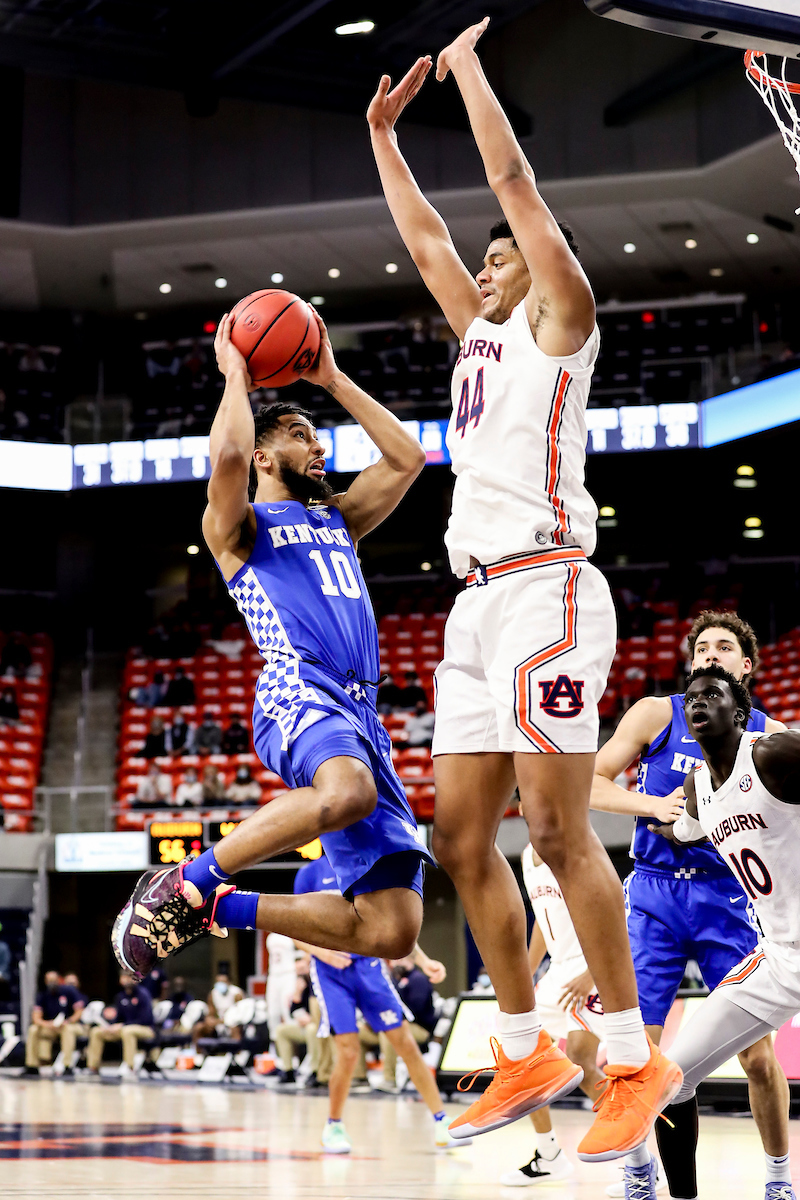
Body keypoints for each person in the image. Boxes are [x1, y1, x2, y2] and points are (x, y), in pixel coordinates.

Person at [367, 20, 679, 1155]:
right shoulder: (477, 342)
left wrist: (467, 71)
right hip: (472, 605)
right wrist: (380, 140)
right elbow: (424, 237)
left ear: (538, 272)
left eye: (502, 257)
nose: (484, 265)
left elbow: (508, 181)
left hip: (549, 586)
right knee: (459, 840)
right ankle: (520, 1049)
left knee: (552, 828)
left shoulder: (560, 326)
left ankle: (635, 1062)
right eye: (485, 261)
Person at [113, 306, 434, 990]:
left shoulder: (339, 518)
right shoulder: (241, 527)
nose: (319, 448)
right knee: (345, 792)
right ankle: (186, 882)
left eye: (317, 436)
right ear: (264, 456)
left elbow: (408, 458)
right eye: (299, 435)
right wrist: (236, 373)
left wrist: (334, 378)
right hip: (300, 684)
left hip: (360, 710)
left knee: (391, 928)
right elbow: (226, 455)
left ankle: (223, 906)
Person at [591, 612, 789, 1199]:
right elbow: (590, 783)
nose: (710, 656)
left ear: (746, 667)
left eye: (725, 648)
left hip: (730, 897)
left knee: (756, 1058)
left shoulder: (771, 736)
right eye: (701, 648)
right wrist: (653, 806)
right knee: (637, 1053)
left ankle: (778, 1176)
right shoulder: (657, 713)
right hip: (654, 891)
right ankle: (639, 1171)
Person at [648, 665, 800, 1200]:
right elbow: (683, 830)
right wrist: (652, 821)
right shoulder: (697, 792)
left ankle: (779, 1180)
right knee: (670, 1079)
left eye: (712, 695)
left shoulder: (774, 755)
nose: (697, 702)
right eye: (691, 696)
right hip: (781, 957)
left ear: (738, 714)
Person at [293, 851, 462, 1153]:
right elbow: (294, 928)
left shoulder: (362, 863)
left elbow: (390, 922)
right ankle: (333, 1125)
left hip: (368, 967)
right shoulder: (309, 874)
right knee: (347, 1051)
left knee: (405, 1043)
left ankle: (441, 1122)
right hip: (331, 972)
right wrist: (324, 953)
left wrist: (422, 961)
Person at [500, 841, 609, 1187]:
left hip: (593, 966)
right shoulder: (526, 856)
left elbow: (609, 913)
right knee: (521, 1055)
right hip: (558, 970)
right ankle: (549, 1155)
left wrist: (592, 972)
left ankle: (641, 1156)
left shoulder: (571, 844)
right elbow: (542, 925)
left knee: (580, 1059)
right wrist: (527, 975)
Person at [359, 953, 439, 1091]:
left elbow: (415, 1010)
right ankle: (359, 1078)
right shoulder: (393, 980)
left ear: (411, 960)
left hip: (419, 1028)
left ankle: (390, 1080)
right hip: (391, 1023)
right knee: (357, 1031)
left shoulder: (417, 979)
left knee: (390, 1032)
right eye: (394, 960)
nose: (396, 964)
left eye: (400, 960)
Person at [86, 971, 155, 1076]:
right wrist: (110, 1026)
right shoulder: (120, 996)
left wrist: (123, 1025)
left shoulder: (143, 994)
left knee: (127, 1031)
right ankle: (93, 1066)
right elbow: (118, 1018)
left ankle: (130, 1067)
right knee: (96, 1031)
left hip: (146, 1029)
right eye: (125, 977)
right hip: (123, 1028)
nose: (127, 980)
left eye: (130, 977)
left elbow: (145, 1019)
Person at [24, 971, 85, 1075]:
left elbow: (79, 1011)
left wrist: (68, 1021)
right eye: (49, 981)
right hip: (51, 1026)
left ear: (59, 980)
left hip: (70, 1025)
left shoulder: (69, 991)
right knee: (33, 1029)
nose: (52, 983)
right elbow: (36, 1017)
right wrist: (46, 1024)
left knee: (68, 1030)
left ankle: (67, 1065)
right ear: (45, 982)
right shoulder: (42, 995)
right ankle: (32, 1065)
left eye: (54, 980)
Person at [191, 968, 245, 1048]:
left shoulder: (236, 994)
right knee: (198, 1028)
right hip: (219, 1023)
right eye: (218, 982)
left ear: (229, 982)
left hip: (233, 1023)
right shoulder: (213, 994)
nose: (220, 984)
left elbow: (241, 1014)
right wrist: (210, 1020)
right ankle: (199, 1056)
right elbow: (211, 1013)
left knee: (235, 1029)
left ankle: (237, 1055)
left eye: (223, 982)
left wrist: (223, 1021)